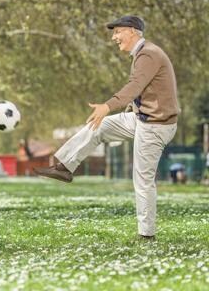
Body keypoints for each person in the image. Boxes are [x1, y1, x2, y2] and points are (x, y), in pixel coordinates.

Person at [34, 16, 179, 240]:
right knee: (100, 125)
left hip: (156, 126)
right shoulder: (143, 54)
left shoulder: (149, 54)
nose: (114, 37)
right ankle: (64, 166)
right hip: (142, 119)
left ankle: (146, 235)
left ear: (133, 31)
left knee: (142, 180)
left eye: (117, 32)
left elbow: (135, 86)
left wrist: (108, 106)